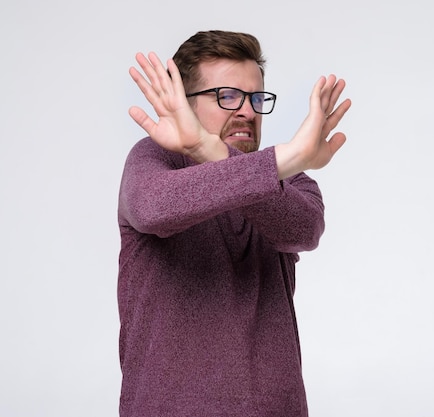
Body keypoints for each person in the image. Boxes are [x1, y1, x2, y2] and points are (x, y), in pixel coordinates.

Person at [117, 30, 351, 416]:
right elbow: (154, 208)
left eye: (256, 98)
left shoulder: (289, 180)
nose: (247, 111)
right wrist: (287, 155)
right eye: (227, 96)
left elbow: (304, 230)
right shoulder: (152, 160)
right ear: (185, 105)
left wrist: (212, 151)